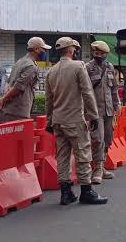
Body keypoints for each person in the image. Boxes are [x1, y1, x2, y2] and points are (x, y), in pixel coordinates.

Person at [45, 37, 108, 205]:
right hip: (74, 120)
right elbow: (87, 93)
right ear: (72, 50)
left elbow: (48, 101)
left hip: (57, 121)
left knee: (63, 157)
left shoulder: (51, 71)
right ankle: (86, 191)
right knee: (83, 154)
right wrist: (93, 115)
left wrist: (49, 121)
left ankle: (66, 193)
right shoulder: (78, 66)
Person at [85, 41, 121, 184]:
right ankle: (97, 169)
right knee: (97, 139)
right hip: (95, 111)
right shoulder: (88, 68)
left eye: (101, 54)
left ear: (106, 54)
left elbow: (114, 88)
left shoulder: (110, 67)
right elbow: (84, 91)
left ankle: (102, 165)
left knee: (107, 138)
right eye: (96, 53)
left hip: (108, 110)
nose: (98, 55)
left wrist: (117, 103)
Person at [0, 37, 52, 121]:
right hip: (19, 111)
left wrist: (4, 98)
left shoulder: (20, 61)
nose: (45, 52)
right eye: (43, 49)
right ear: (36, 49)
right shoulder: (31, 66)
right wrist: (3, 99)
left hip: (9, 109)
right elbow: (18, 87)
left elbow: (8, 82)